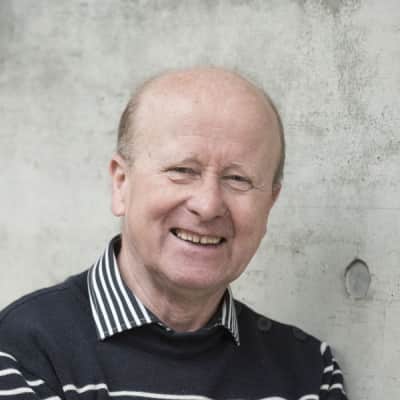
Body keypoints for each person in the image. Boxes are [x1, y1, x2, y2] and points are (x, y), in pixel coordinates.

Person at [0, 67, 347, 400]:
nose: (208, 205)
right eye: (182, 170)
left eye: (238, 178)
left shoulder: (307, 373)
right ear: (121, 184)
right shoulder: (25, 351)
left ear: (269, 203)